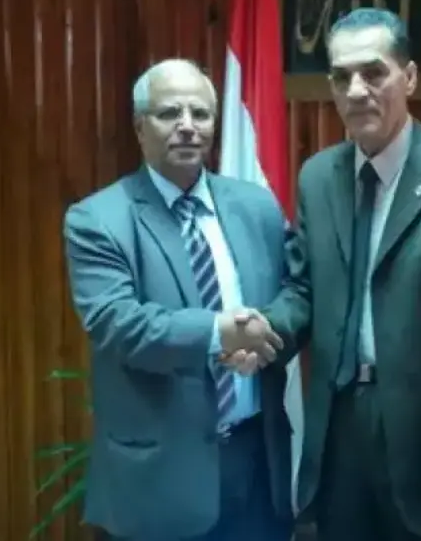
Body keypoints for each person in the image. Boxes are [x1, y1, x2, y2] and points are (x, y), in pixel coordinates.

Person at [239, 8, 421, 540]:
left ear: (409, 77)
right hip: (338, 430)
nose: (357, 90)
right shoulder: (318, 176)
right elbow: (304, 289)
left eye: (373, 72)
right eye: (342, 77)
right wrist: (265, 330)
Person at [62, 58, 294, 541]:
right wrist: (221, 332)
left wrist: (266, 335)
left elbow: (292, 296)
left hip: (255, 469)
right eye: (170, 113)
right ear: (139, 127)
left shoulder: (257, 207)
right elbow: (120, 325)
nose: (187, 126)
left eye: (200, 113)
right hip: (159, 482)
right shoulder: (98, 220)